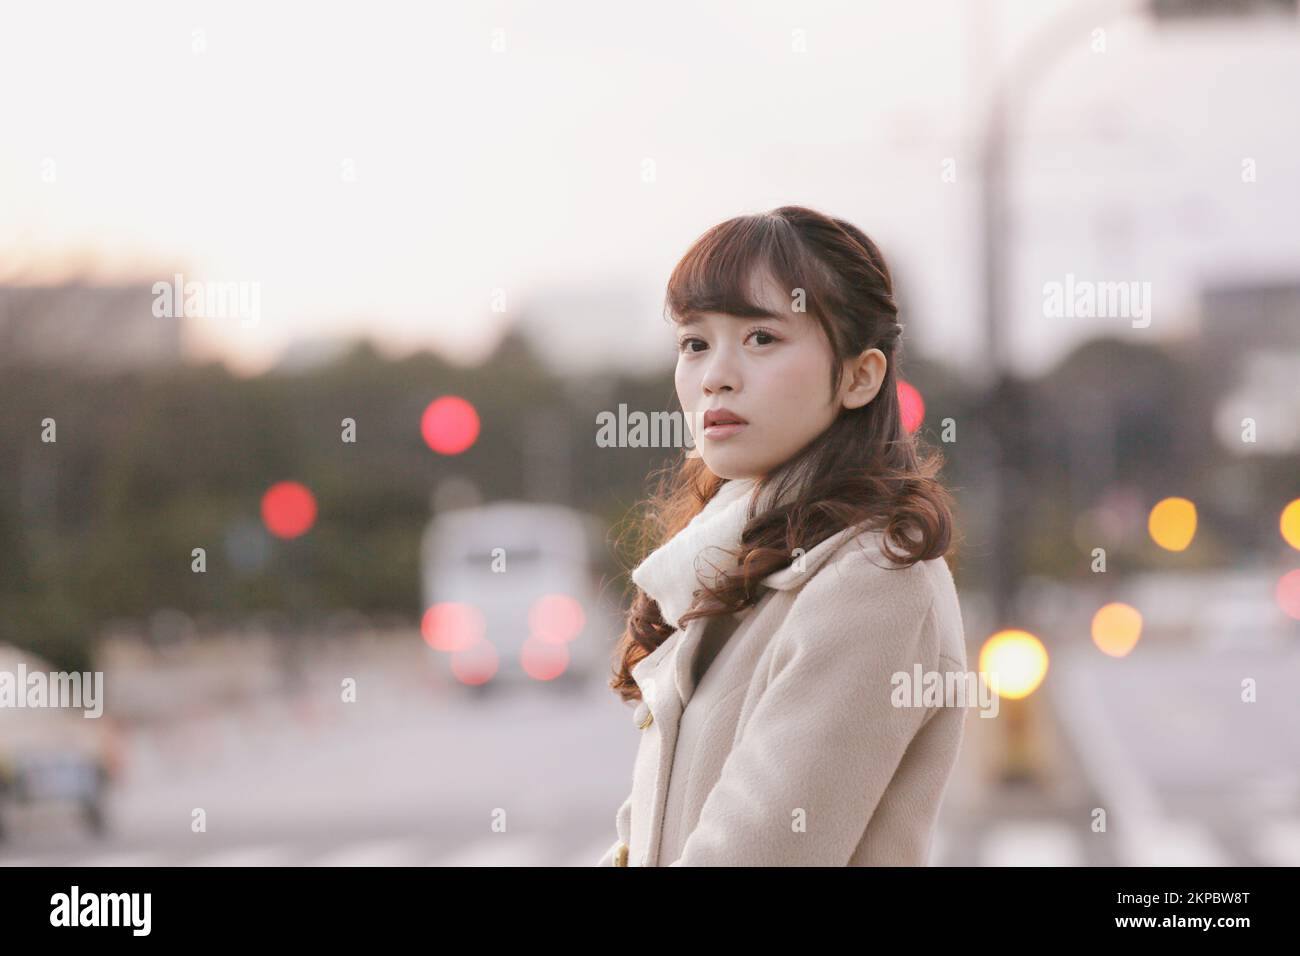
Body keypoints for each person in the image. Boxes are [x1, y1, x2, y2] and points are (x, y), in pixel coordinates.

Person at [597, 205, 968, 866]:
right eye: (695, 342)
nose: (716, 375)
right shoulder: (729, 562)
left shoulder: (873, 579)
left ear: (860, 376)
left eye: (761, 338)